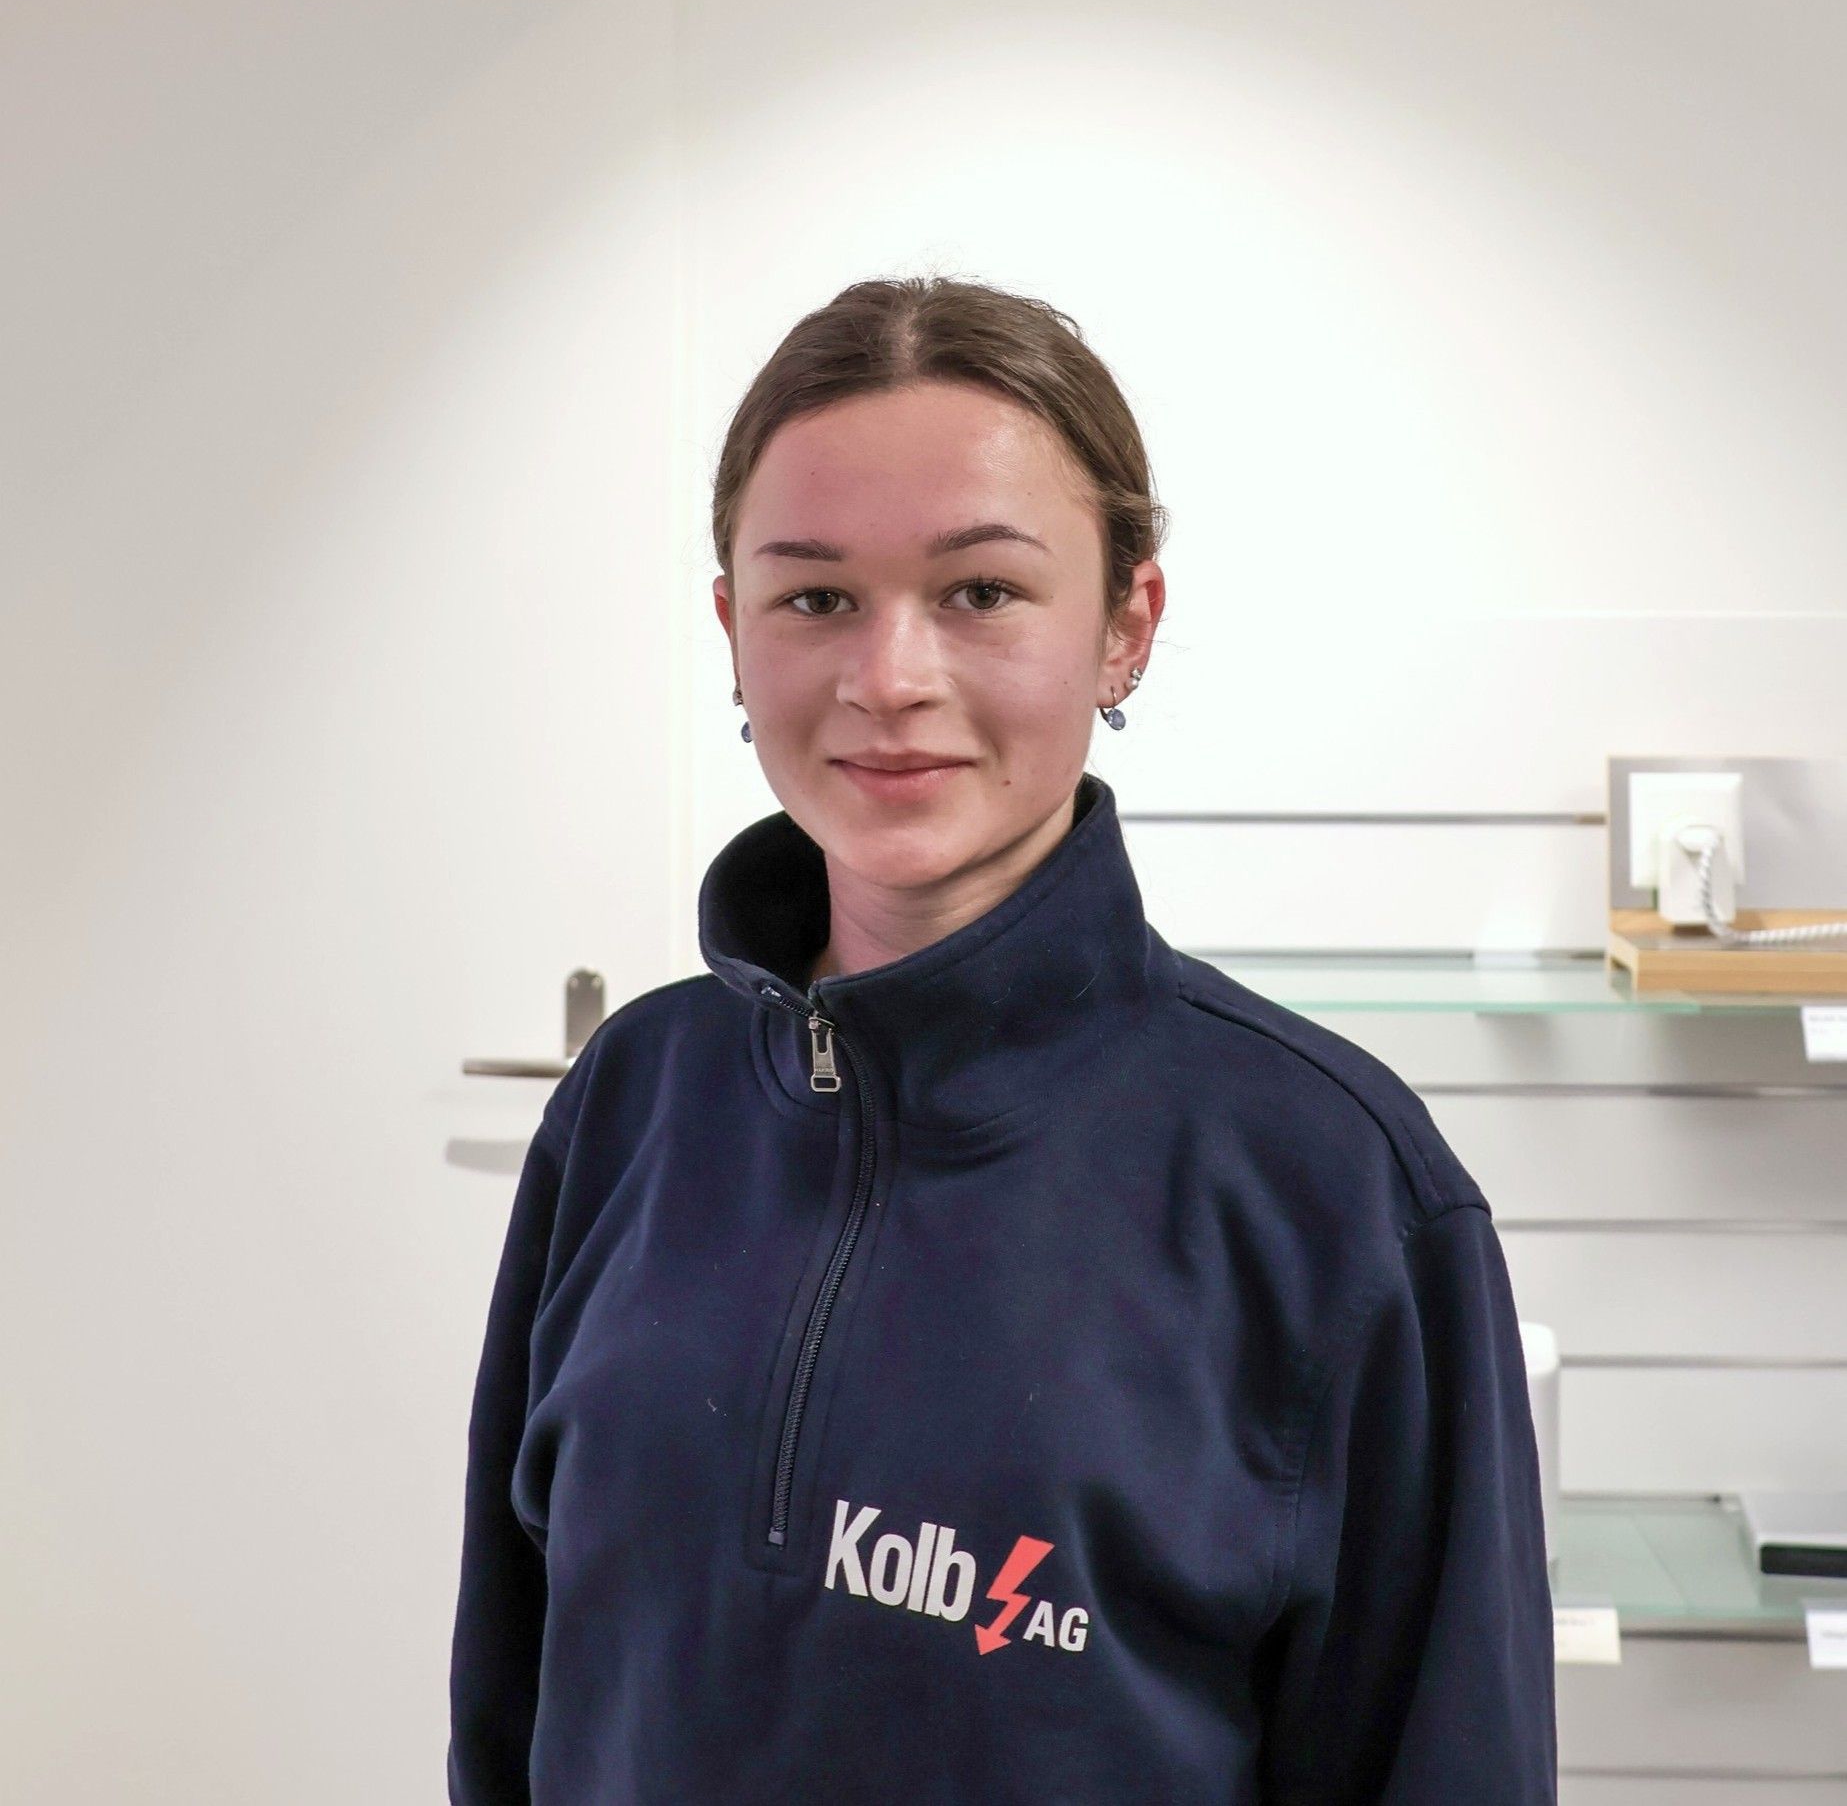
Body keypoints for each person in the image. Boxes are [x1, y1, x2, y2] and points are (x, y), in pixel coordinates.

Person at [446, 275, 1557, 1803]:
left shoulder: (1337, 1194)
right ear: (733, 628)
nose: (888, 678)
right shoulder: (632, 1105)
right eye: (814, 595)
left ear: (1126, 625)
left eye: (979, 592)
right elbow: (507, 1718)